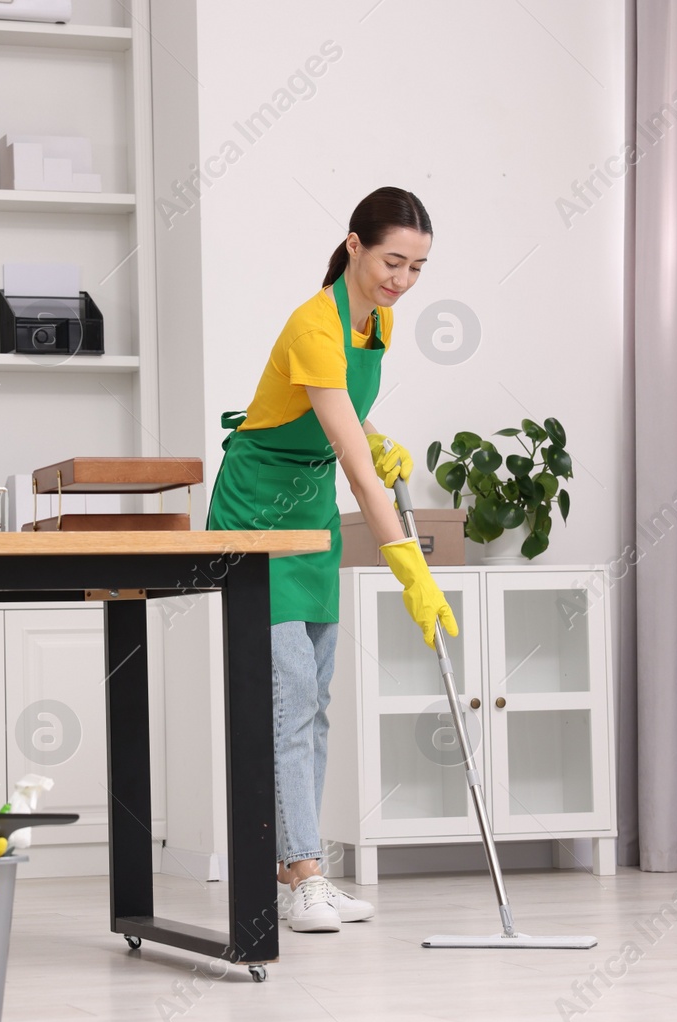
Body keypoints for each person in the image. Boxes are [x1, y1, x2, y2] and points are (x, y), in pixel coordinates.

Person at [205, 187, 459, 933]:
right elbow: (356, 470)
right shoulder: (314, 324)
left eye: (417, 267)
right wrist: (409, 564)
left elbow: (342, 412)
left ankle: (296, 873)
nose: (402, 281)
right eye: (391, 261)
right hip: (258, 514)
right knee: (287, 703)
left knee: (312, 705)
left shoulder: (375, 321)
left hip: (308, 512)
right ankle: (309, 871)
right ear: (353, 245)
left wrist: (377, 432)